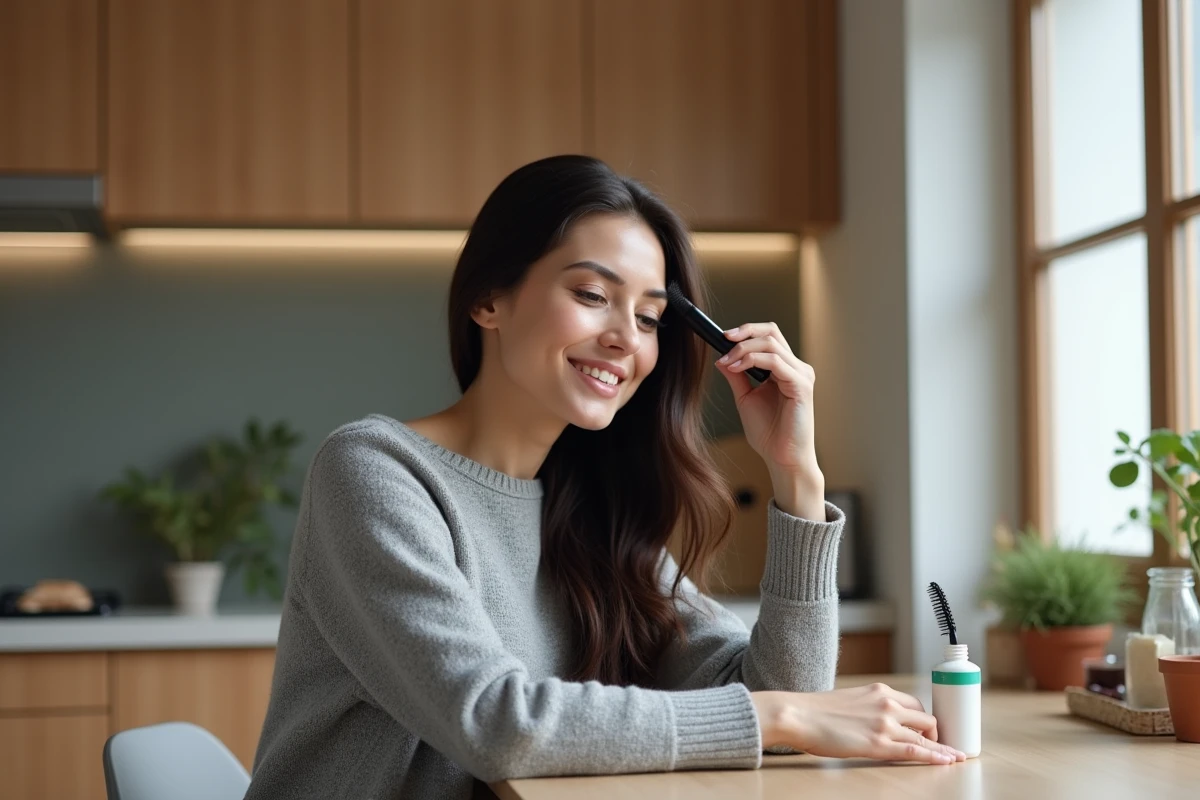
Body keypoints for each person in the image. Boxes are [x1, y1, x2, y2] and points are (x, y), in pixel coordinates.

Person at [244, 155, 964, 800]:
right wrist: (778, 716)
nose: (626, 337)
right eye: (592, 295)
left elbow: (783, 699)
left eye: (650, 317)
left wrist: (795, 474)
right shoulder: (374, 472)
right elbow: (496, 724)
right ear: (488, 299)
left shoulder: (592, 510)